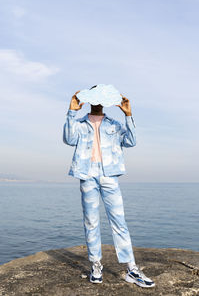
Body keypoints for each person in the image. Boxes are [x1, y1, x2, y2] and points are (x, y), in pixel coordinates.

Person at [63, 86, 155, 288]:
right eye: (94, 97)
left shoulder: (114, 124)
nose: (97, 101)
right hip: (87, 175)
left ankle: (131, 268)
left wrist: (128, 115)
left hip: (109, 175)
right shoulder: (79, 123)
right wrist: (72, 111)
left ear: (105, 100)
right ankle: (96, 265)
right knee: (91, 221)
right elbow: (68, 139)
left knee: (119, 221)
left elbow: (131, 141)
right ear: (89, 99)